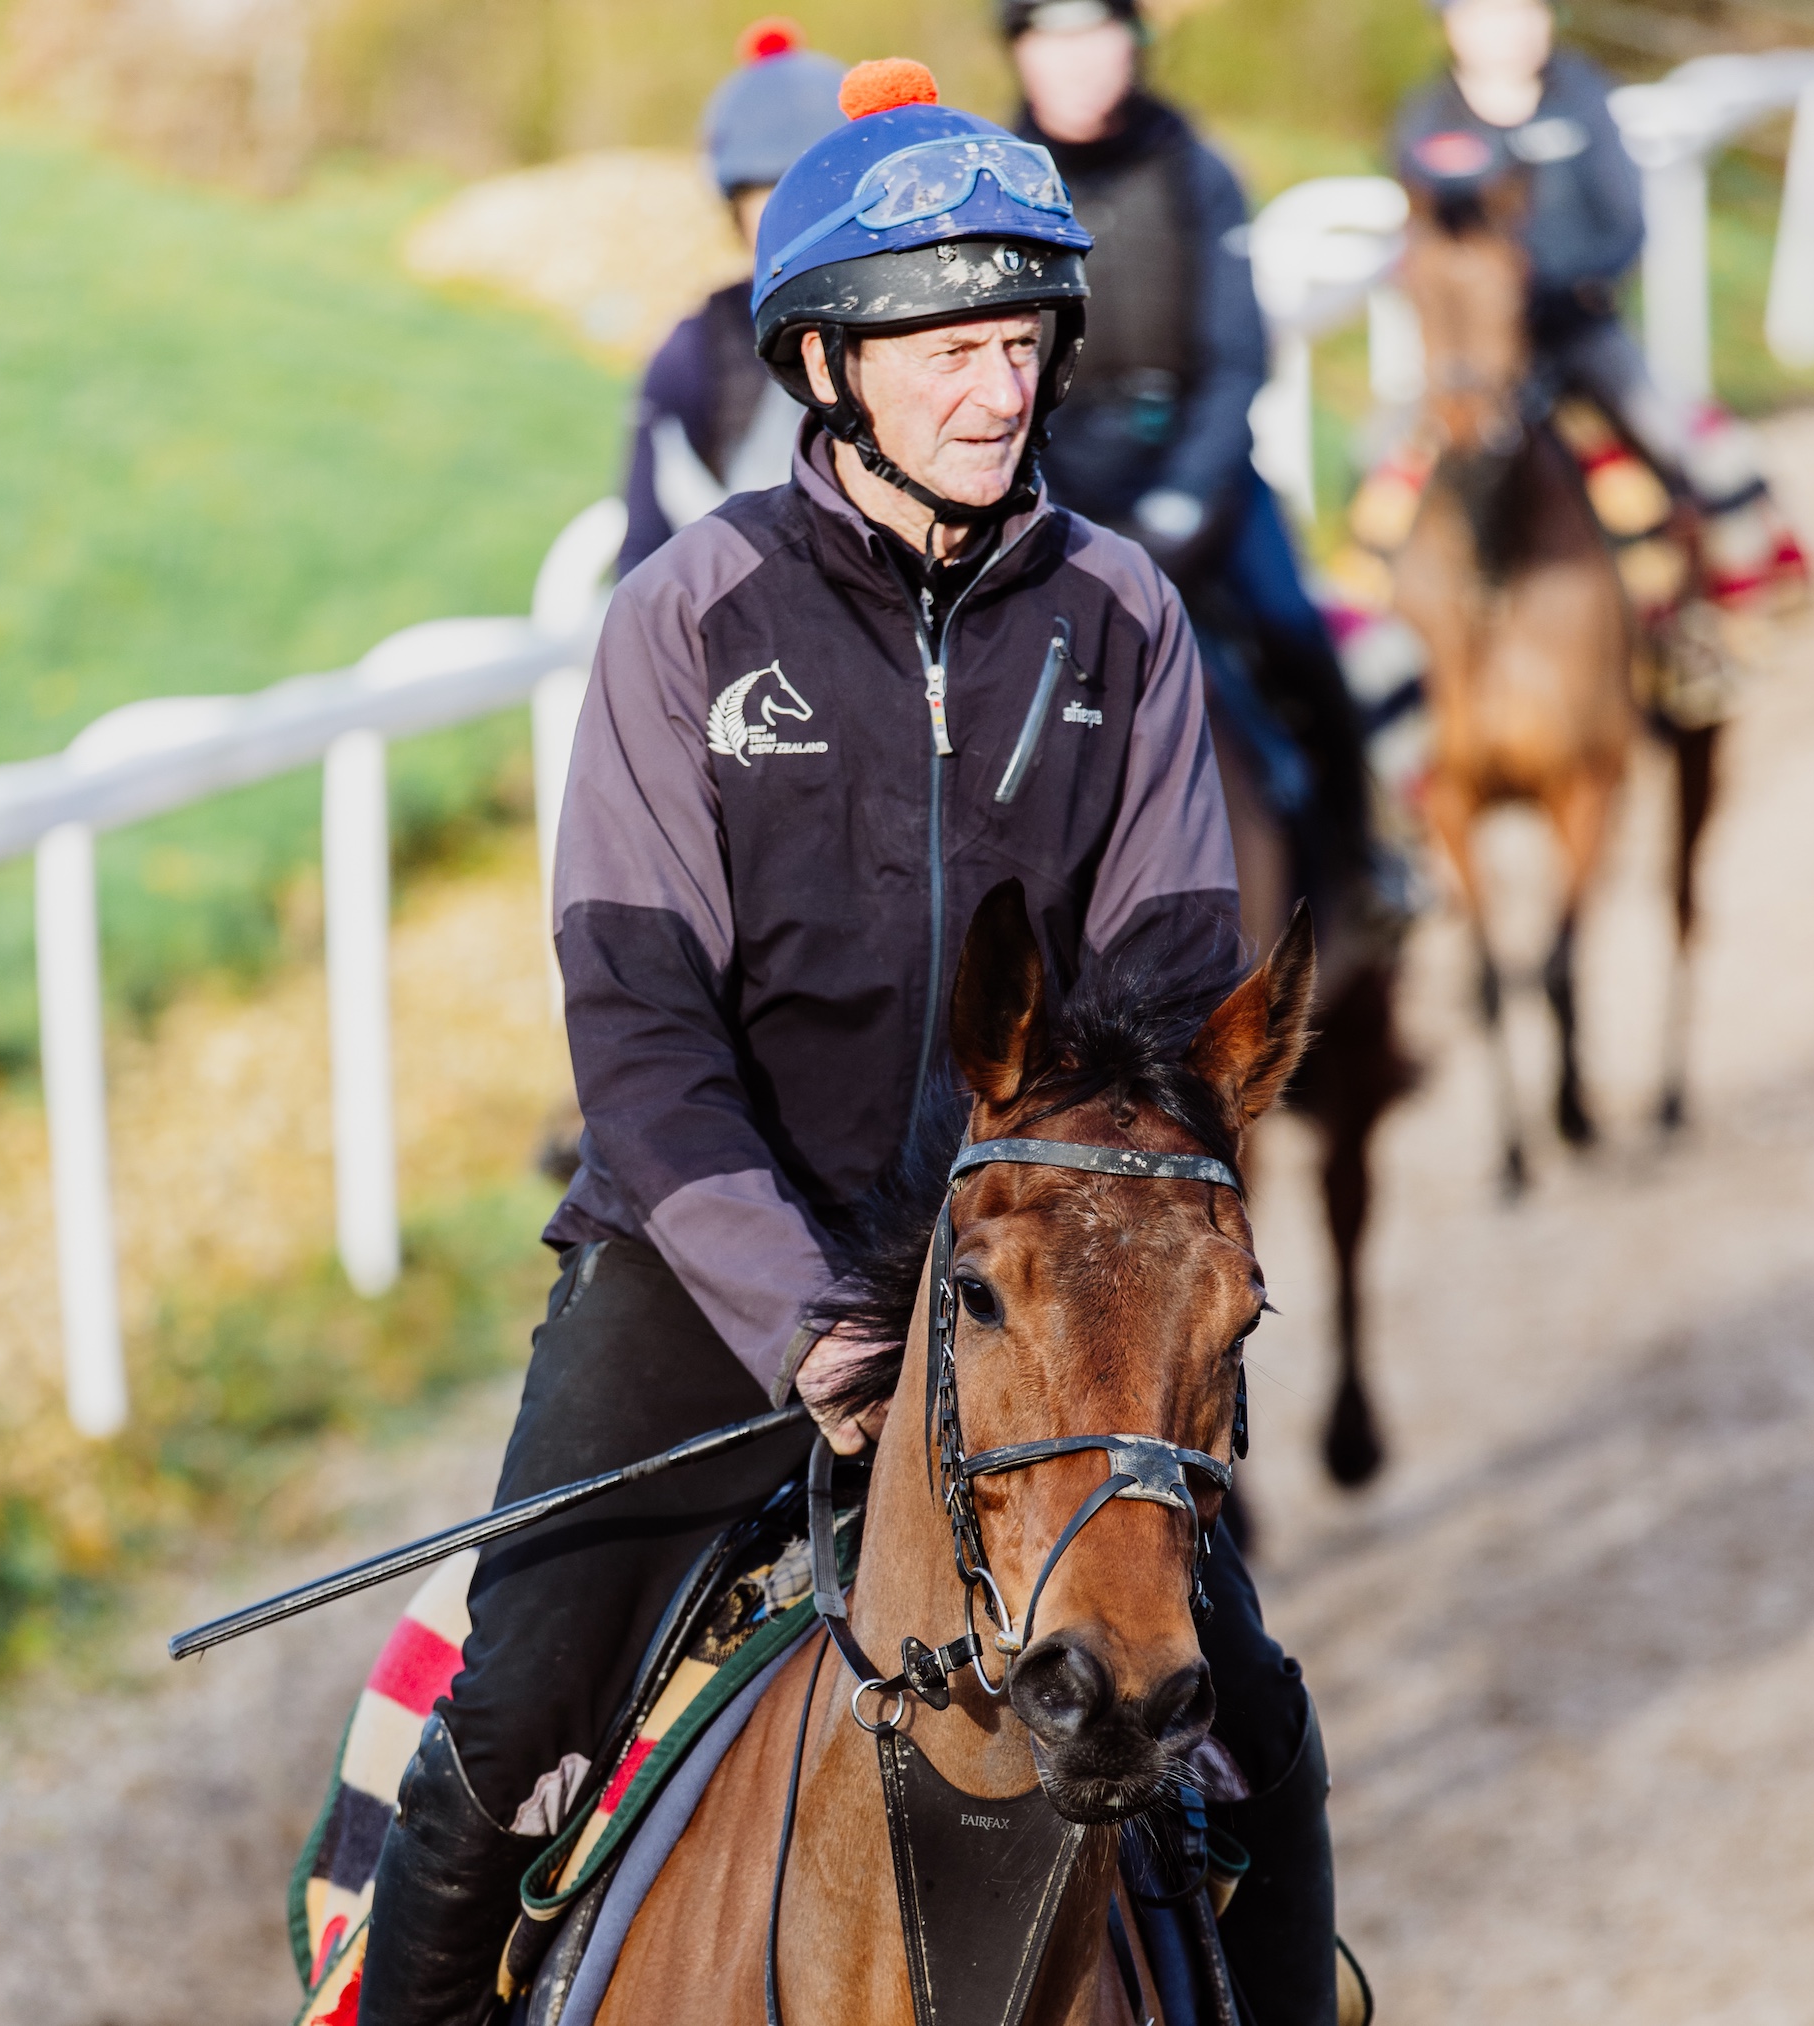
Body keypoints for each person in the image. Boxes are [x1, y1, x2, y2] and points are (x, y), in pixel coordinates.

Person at [359, 56, 1337, 2026]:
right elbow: (635, 1025)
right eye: (952, 345)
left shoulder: (1123, 617)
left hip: (1026, 1275)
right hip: (706, 1262)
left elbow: (1157, 1024)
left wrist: (1065, 1265)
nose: (999, 387)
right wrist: (809, 1313)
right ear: (824, 362)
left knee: (1256, 1734)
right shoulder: (685, 617)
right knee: (521, 1706)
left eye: (1022, 341)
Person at [1002, 0, 1389, 946]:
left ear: (1133, 47)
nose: (1080, 62)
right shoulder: (988, 183)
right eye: (1054, 39)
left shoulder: (1197, 170)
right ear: (1019, 52)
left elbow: (1236, 357)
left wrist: (1183, 500)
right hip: (1050, 480)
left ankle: (1367, 861)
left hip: (1196, 468)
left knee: (1297, 629)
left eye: (1098, 36)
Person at [1395, 0, 1807, 609]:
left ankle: (1726, 599)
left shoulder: (1582, 96)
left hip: (1579, 331)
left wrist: (1558, 282)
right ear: (1453, 27)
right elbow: (1421, 233)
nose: (1509, 30)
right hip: (1479, 354)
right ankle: (1384, 647)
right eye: (1488, 14)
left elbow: (1625, 221)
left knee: (1683, 440)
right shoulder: (1426, 119)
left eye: (1524, 13)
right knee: (1383, 471)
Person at [616, 19, 848, 579]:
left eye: (815, 191)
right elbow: (643, 552)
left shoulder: (915, 325)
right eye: (768, 192)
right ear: (734, 205)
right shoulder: (692, 352)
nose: (792, 218)